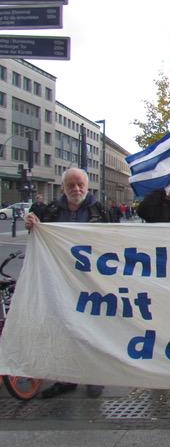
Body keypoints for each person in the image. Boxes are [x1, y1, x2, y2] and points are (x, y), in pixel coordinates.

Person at [24, 168, 108, 399]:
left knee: (94, 329)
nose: (76, 189)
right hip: (59, 280)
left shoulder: (99, 210)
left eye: (80, 184)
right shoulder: (50, 211)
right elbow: (37, 237)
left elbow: (115, 240)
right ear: (63, 188)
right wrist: (31, 224)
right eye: (71, 185)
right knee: (64, 328)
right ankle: (66, 378)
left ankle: (94, 377)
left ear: (87, 186)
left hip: (92, 281)